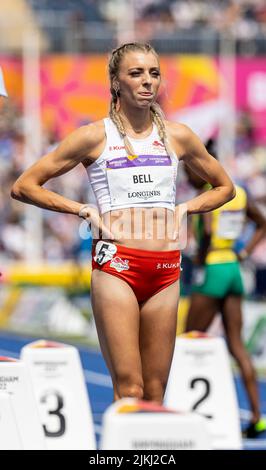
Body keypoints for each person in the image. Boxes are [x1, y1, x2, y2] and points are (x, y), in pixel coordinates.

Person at [11, 42, 235, 405]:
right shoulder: (93, 136)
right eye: (136, 73)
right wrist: (82, 209)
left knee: (156, 393)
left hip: (166, 270)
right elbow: (24, 186)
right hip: (118, 267)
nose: (147, 82)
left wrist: (185, 209)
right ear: (115, 82)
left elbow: (224, 187)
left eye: (154, 73)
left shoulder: (178, 136)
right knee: (129, 389)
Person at [184, 138, 266, 438]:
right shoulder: (239, 193)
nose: (186, 178)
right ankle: (257, 416)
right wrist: (244, 252)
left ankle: (181, 413)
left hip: (215, 269)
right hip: (233, 267)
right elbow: (262, 223)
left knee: (186, 342)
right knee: (237, 345)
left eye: (189, 172)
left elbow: (205, 235)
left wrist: (200, 260)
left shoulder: (209, 196)